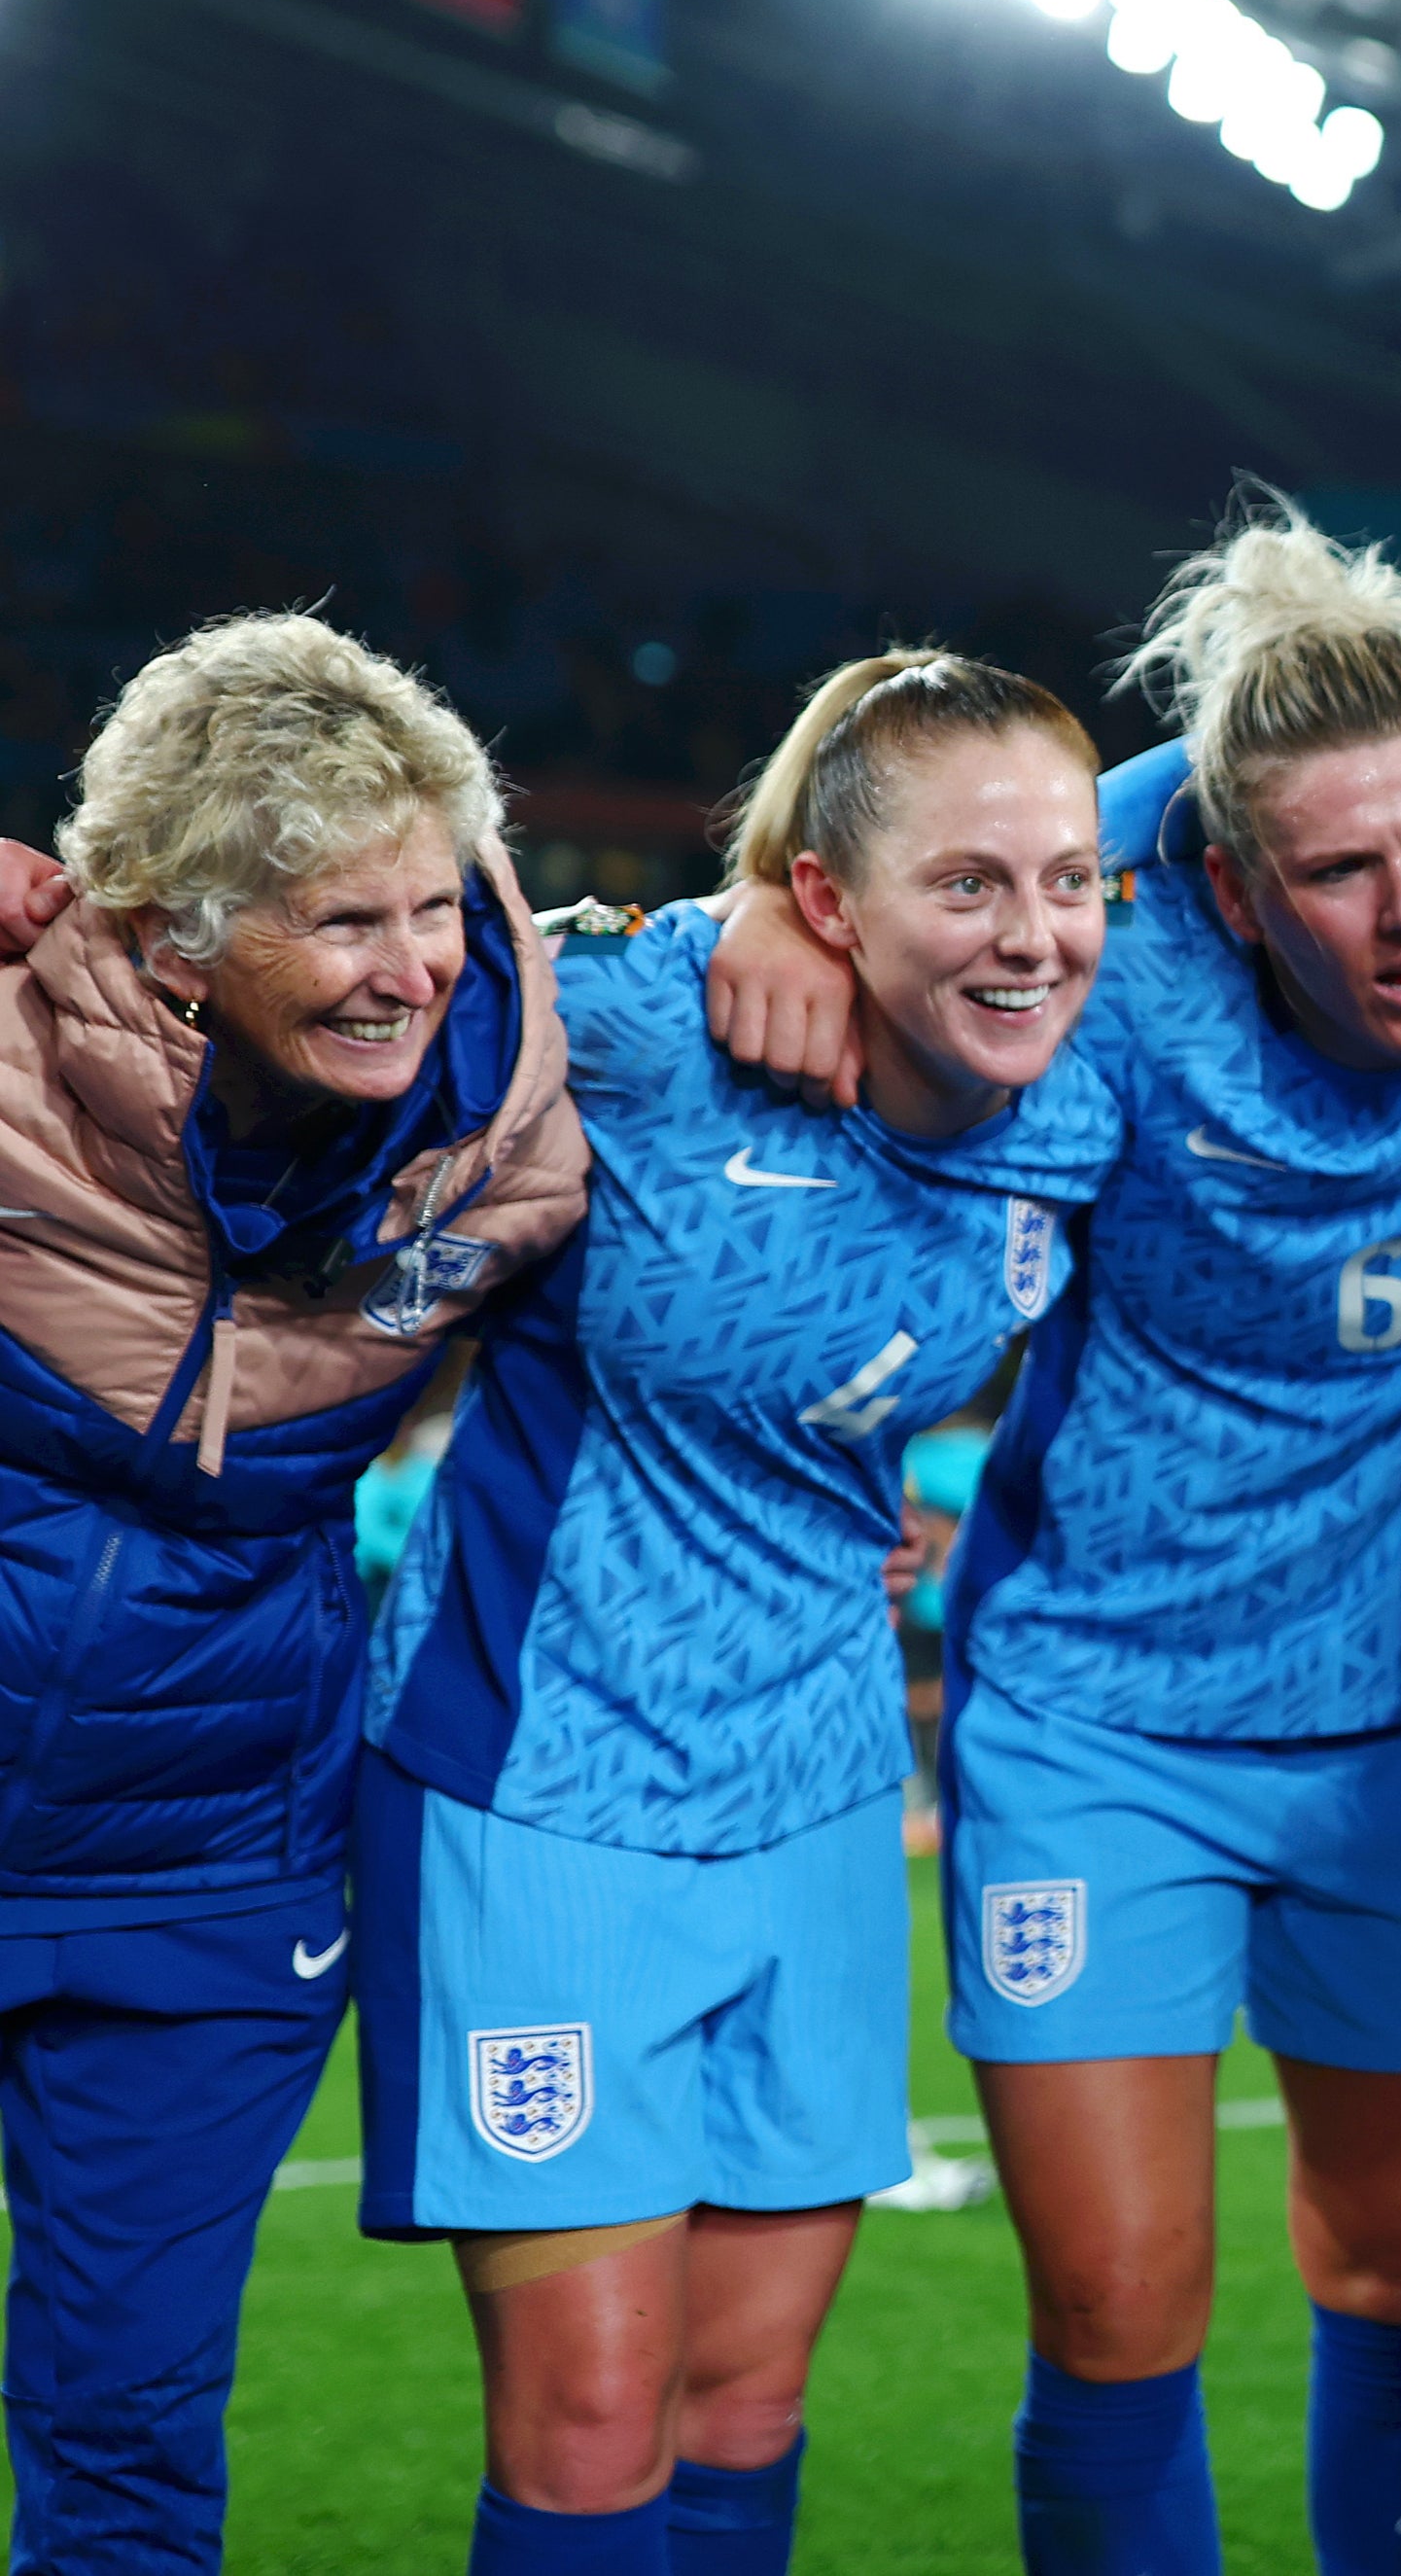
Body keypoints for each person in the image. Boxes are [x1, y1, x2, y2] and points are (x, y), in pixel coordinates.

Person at [701, 506, 1401, 2574]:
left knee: (1394, 2266)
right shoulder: (1108, 954)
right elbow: (940, 848)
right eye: (1337, 872)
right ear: (1229, 880)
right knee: (1114, 2310)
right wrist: (753, 907)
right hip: (1102, 1732)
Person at [357, 653, 1120, 2575]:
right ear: (839, 904)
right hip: (545, 1789)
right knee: (593, 2428)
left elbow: (1261, 799)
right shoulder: (645, 1021)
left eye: (1070, 878)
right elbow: (365, 929)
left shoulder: (1082, 1103)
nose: (1036, 936)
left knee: (745, 2410)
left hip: (823, 1799)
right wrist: (714, 909)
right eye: (970, 885)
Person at [0, 616, 586, 2571]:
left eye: (430, 909)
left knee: (131, 2428)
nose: (409, 967)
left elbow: (951, 876)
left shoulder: (514, 1128)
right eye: (341, 923)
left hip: (207, 1886)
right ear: (173, 939)